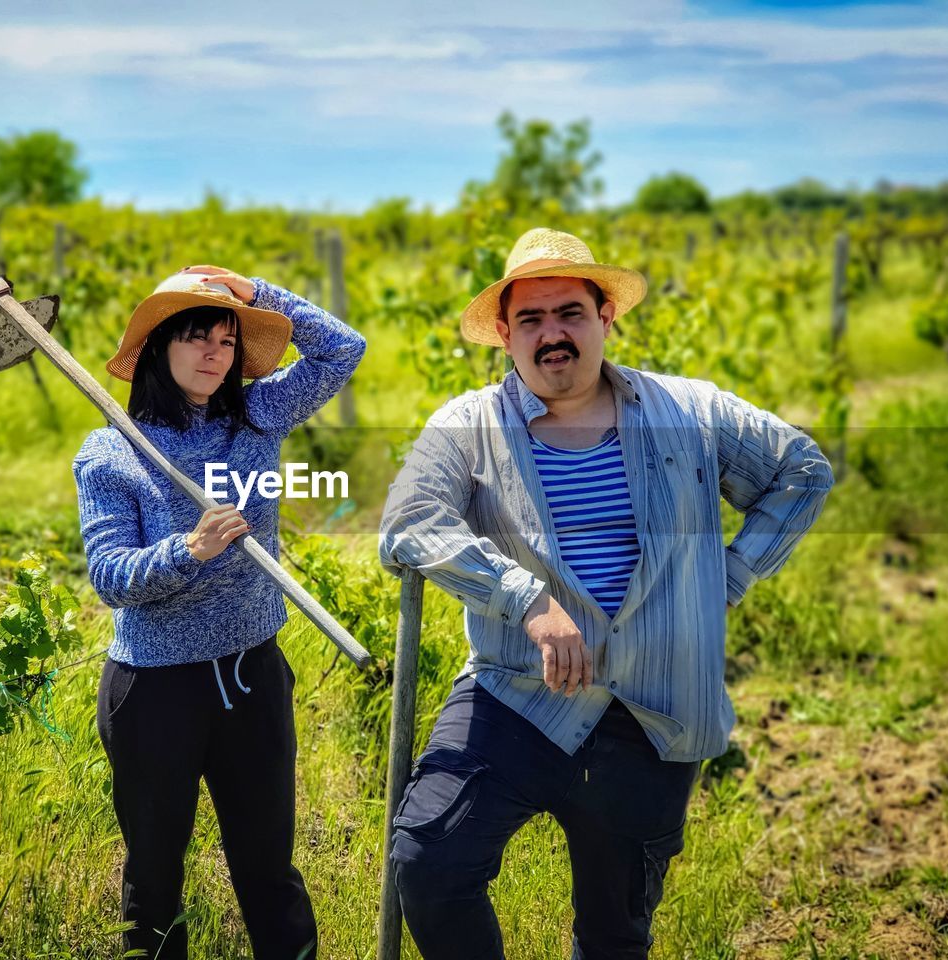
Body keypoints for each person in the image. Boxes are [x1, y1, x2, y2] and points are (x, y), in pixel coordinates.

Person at [377, 228, 833, 959]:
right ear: (503, 333)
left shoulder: (689, 412)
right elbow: (407, 524)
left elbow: (803, 470)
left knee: (615, 934)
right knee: (429, 864)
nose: (552, 334)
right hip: (517, 694)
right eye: (530, 319)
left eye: (569, 313)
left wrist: (732, 573)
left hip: (653, 708)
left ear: (604, 317)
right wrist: (523, 597)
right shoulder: (468, 427)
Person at [74, 264, 365, 960]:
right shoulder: (112, 451)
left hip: (252, 675)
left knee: (268, 868)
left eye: (228, 341)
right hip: (155, 691)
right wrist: (188, 550)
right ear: (157, 347)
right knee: (155, 875)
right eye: (196, 336)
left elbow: (343, 349)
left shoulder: (256, 416)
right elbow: (110, 578)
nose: (214, 353)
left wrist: (255, 291)